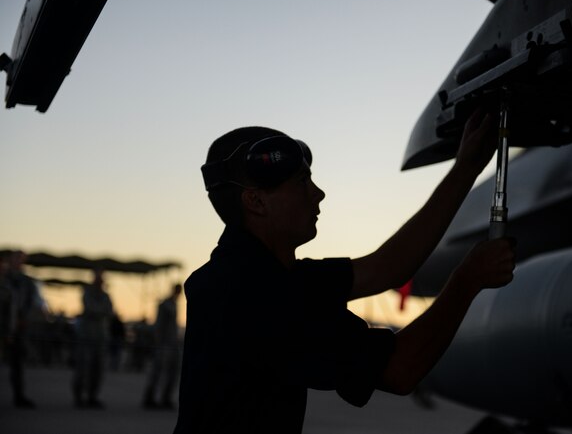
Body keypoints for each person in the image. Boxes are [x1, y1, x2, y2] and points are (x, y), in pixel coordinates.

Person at [173, 108, 516, 433]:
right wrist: (467, 280)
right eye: (301, 182)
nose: (318, 194)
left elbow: (386, 268)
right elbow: (399, 369)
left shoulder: (257, 276)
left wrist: (466, 168)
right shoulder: (253, 295)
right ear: (256, 202)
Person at [4, 250, 41, 409]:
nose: (18, 262)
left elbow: (33, 302)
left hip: (19, 327)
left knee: (18, 364)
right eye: (15, 259)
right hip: (3, 325)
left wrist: (24, 319)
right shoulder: (4, 279)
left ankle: (19, 396)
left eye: (21, 259)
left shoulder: (27, 282)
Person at [72, 268, 113, 408]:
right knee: (84, 368)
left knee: (98, 369)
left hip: (100, 337)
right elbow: (91, 309)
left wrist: (100, 311)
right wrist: (101, 311)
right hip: (87, 337)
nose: (100, 280)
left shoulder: (106, 296)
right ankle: (79, 397)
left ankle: (92, 397)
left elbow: (110, 311)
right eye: (98, 277)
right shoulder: (87, 293)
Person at [143, 283, 183, 409]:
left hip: (171, 343)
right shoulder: (165, 305)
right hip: (164, 344)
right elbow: (159, 325)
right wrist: (158, 342)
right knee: (158, 371)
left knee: (172, 372)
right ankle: (150, 398)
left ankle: (165, 398)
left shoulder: (173, 304)